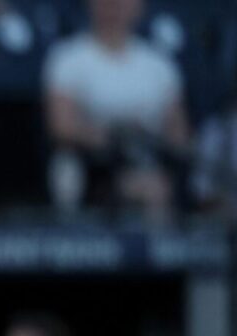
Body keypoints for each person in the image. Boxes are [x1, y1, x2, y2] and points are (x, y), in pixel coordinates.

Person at [43, 0, 191, 222]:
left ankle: (161, 250)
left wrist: (149, 141)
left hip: (148, 161)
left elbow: (181, 137)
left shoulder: (160, 66)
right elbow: (61, 126)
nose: (113, 6)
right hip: (93, 165)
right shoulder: (68, 58)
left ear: (138, 6)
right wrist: (115, 136)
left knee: (158, 186)